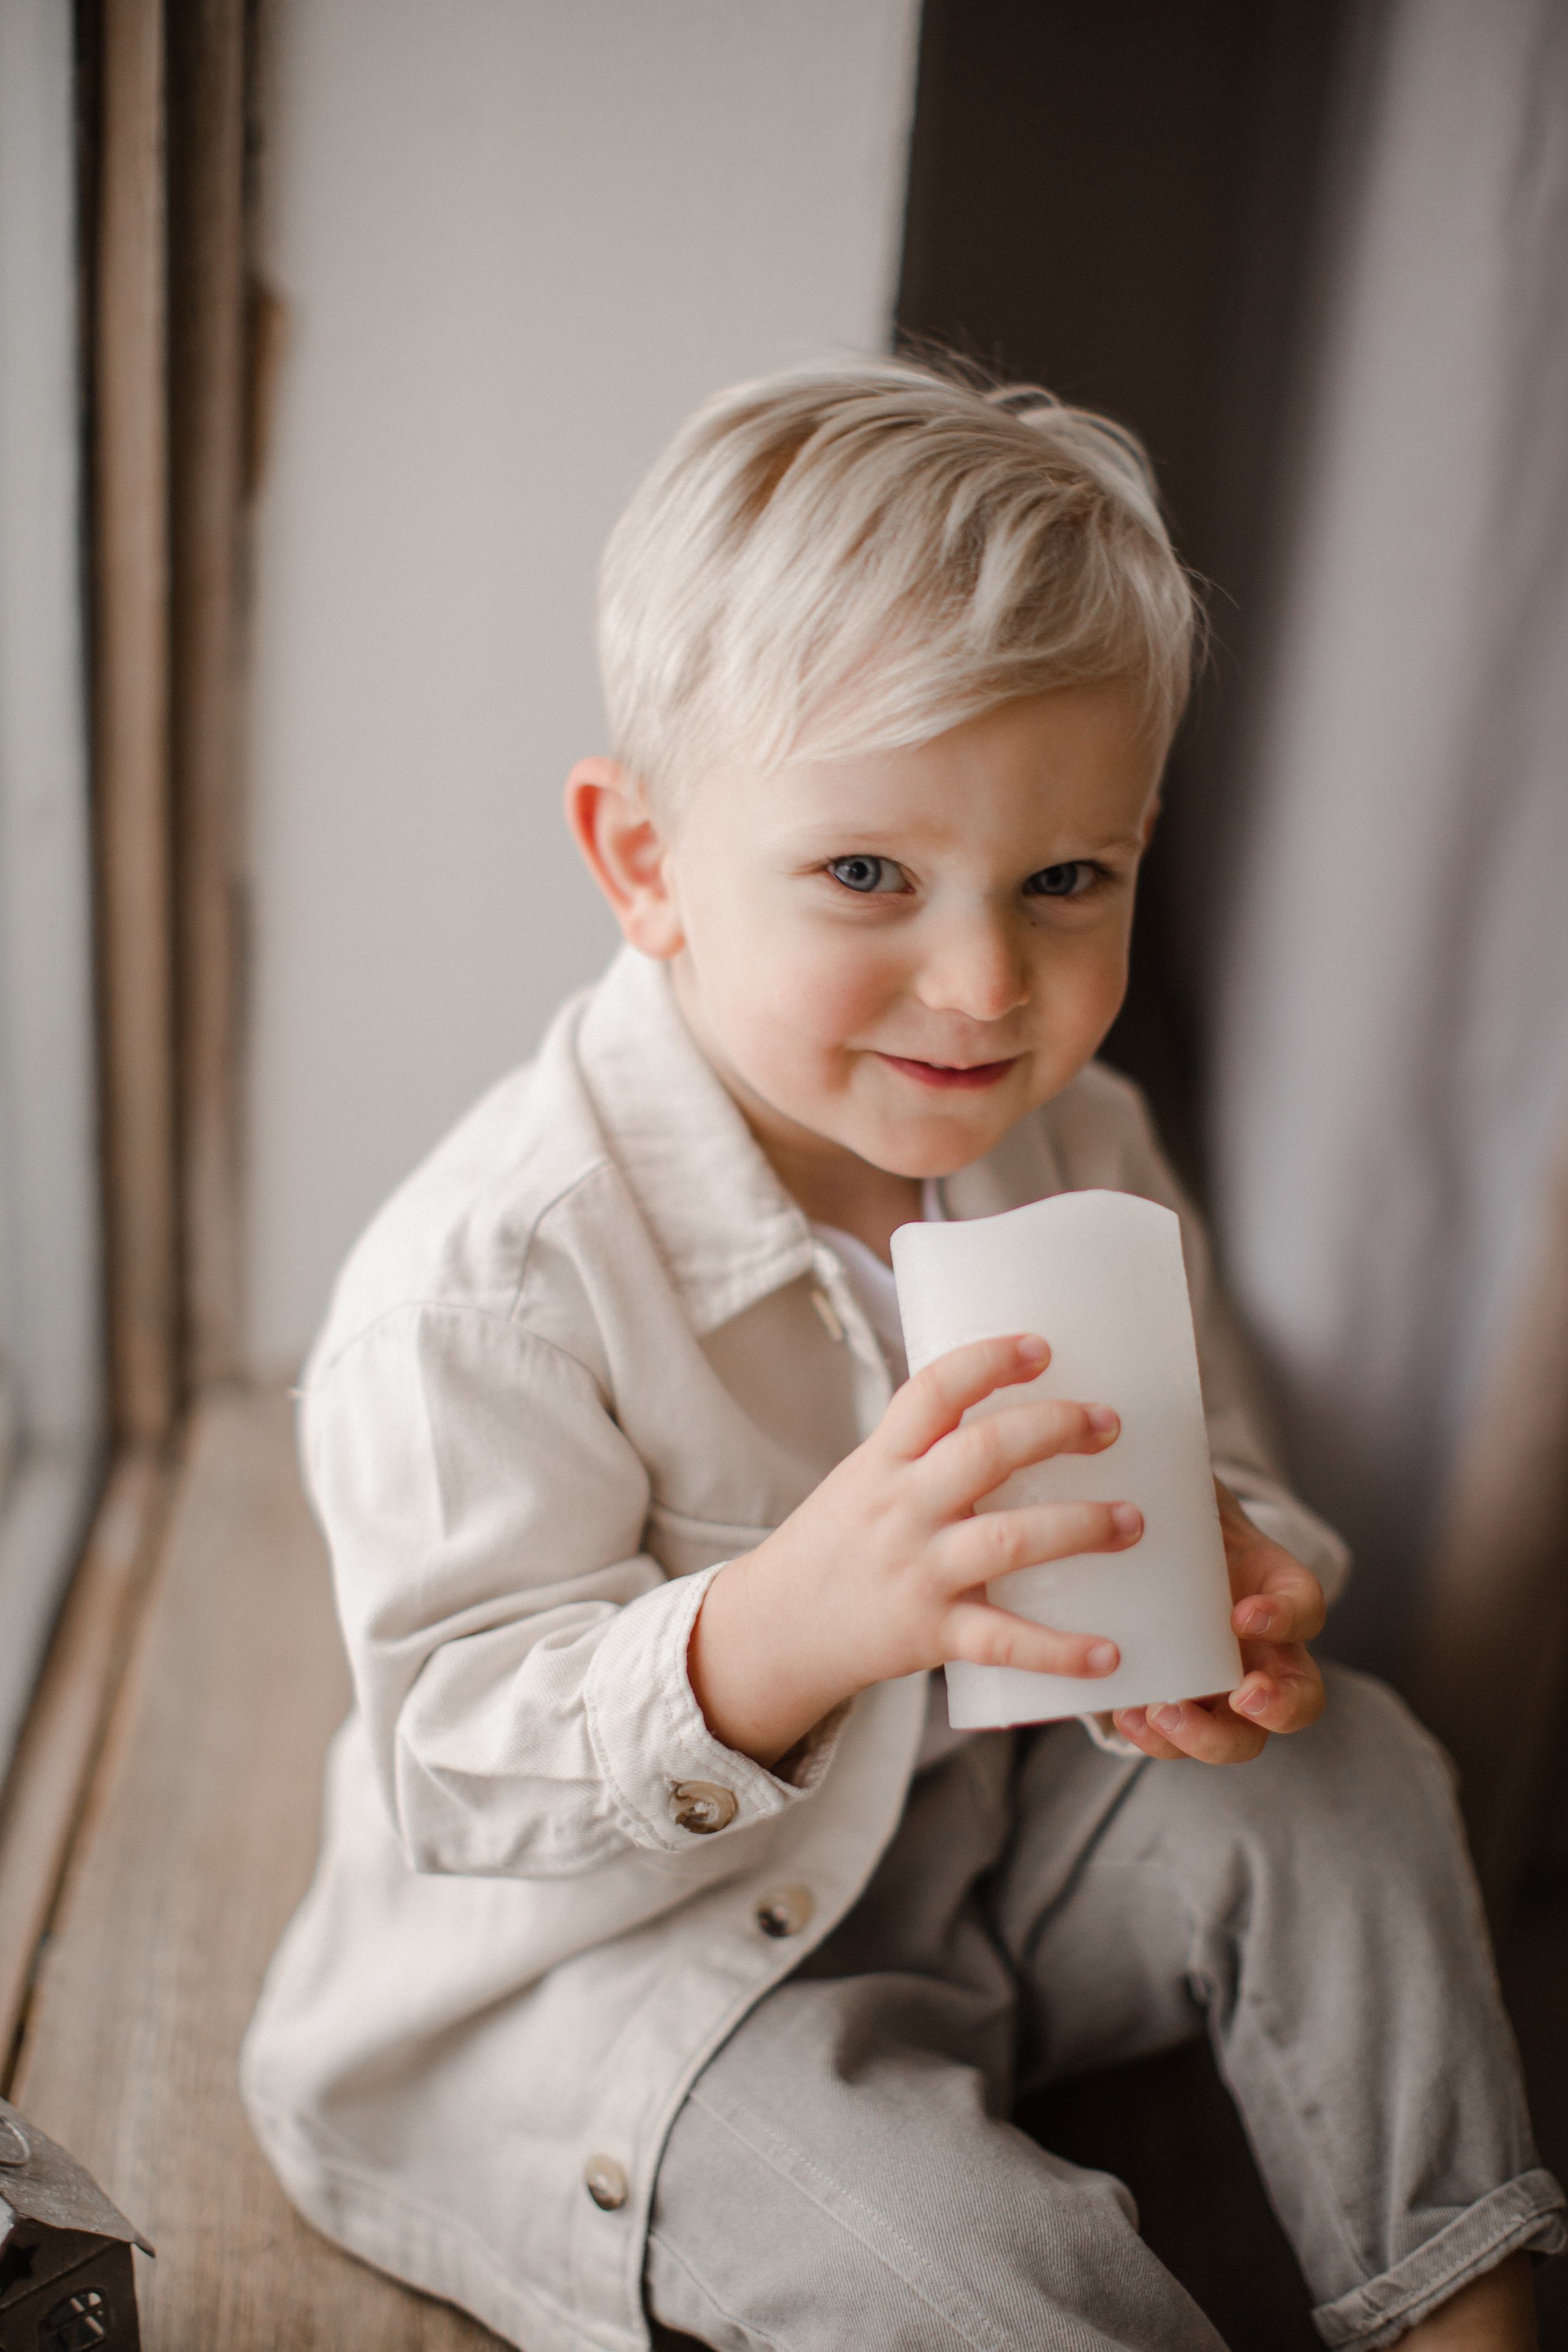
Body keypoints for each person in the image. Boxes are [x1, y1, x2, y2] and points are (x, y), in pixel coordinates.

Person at [242, 362, 1564, 2352]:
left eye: (1068, 881)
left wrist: (1245, 1577)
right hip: (627, 2009)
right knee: (982, 2274)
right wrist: (785, 1622)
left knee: (1359, 1767)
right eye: (869, 874)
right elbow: (458, 1762)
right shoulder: (493, 1279)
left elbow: (1219, 1461)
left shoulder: (1078, 1137)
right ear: (647, 863)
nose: (983, 985)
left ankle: (1469, 2306)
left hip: (978, 1848)